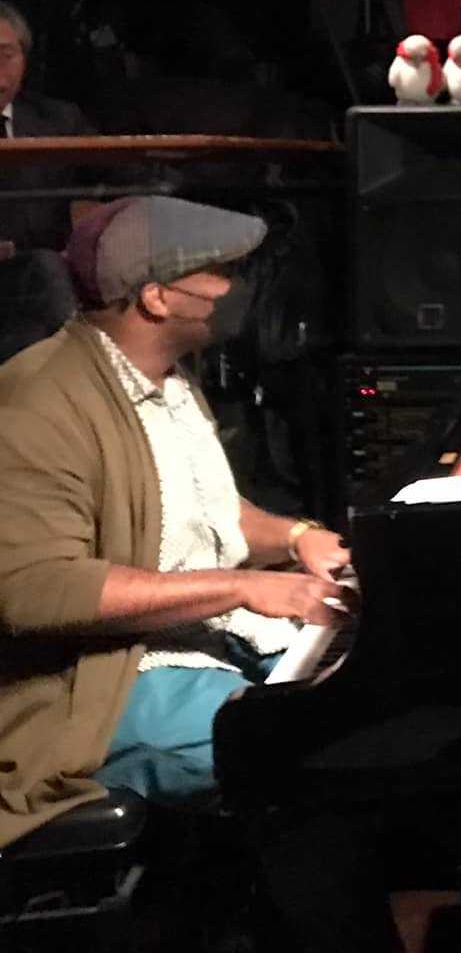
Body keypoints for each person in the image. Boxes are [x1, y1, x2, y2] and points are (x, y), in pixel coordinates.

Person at [0, 195, 390, 946]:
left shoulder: (169, 381)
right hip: (95, 685)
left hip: (191, 645)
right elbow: (35, 590)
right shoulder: (37, 403)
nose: (232, 289)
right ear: (156, 296)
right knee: (304, 754)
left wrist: (297, 536)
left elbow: (202, 506)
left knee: (360, 711)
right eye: (216, 273)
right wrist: (244, 586)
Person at [0, 0, 99, 361]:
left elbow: (123, 171)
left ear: (24, 59)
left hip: (47, 279)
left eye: (6, 55)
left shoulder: (56, 120)